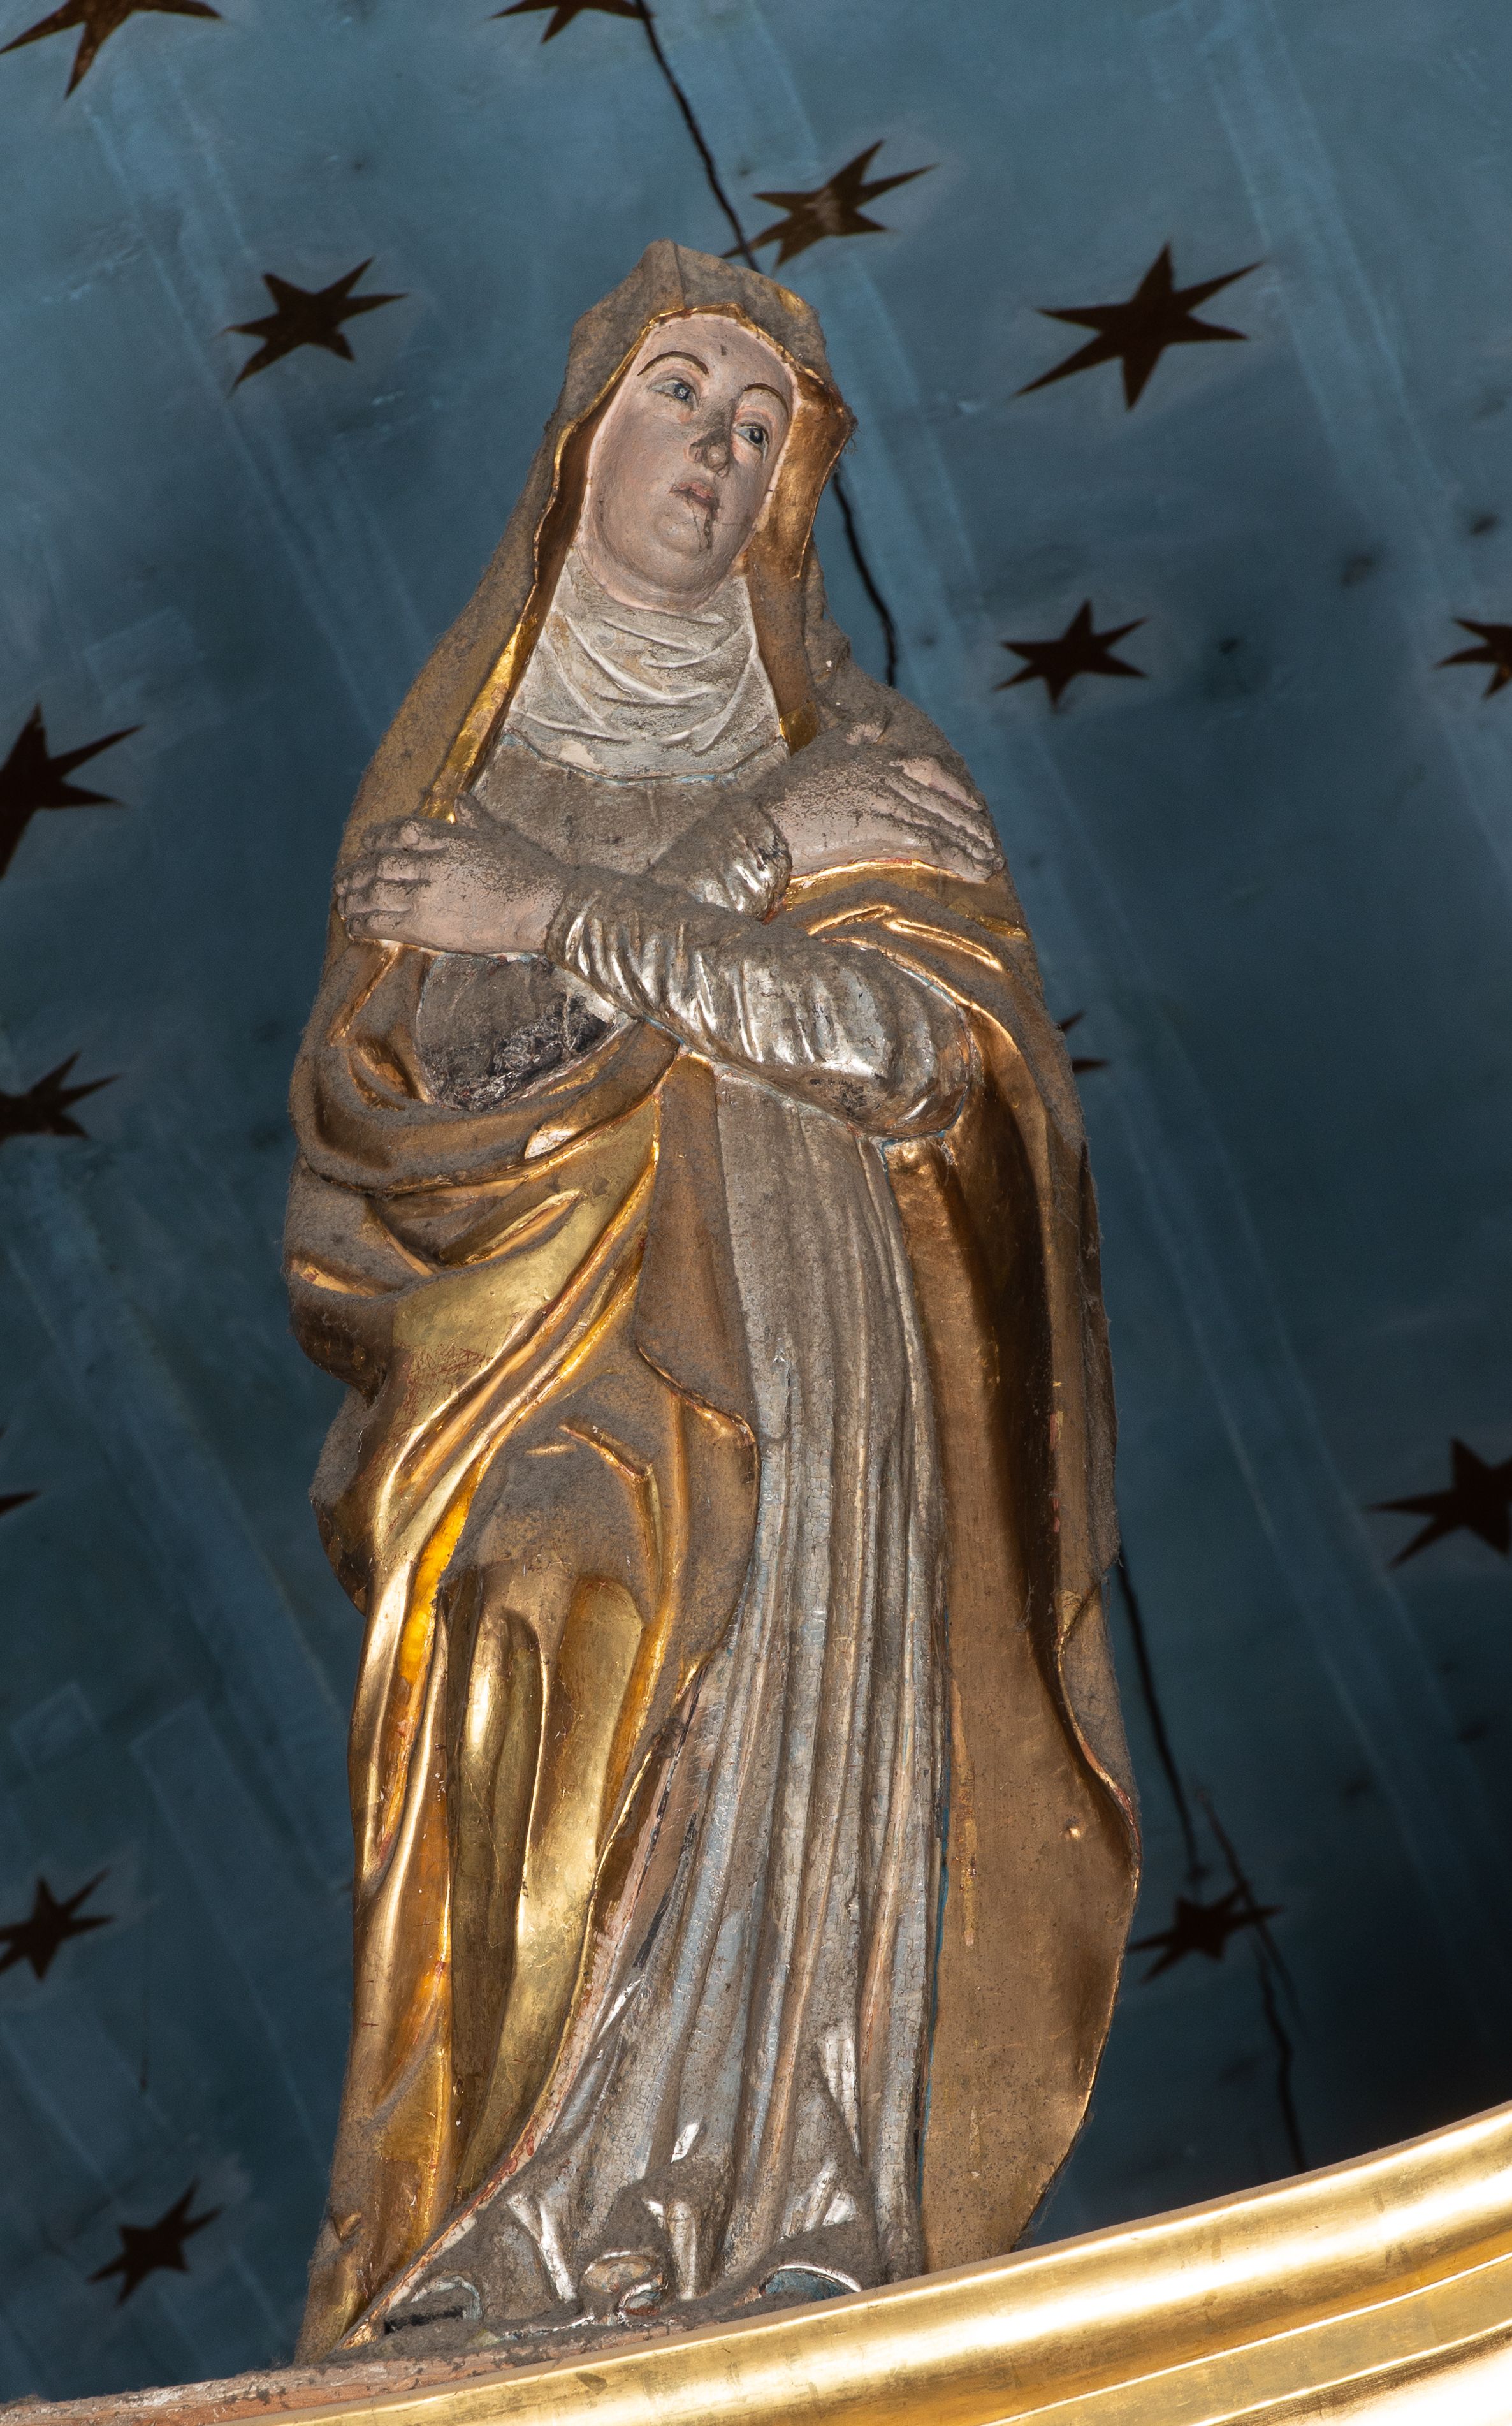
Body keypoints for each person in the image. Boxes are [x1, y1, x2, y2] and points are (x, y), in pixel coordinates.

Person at [286, 240, 1137, 2363]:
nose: (722, 446)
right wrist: (707, 873)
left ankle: (789, 2216)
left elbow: (908, 1055)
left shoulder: (860, 758)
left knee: (799, 1680)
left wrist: (599, 902)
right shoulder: (464, 783)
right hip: (532, 1347)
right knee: (524, 1603)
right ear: (584, 441)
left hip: (809, 1320)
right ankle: (488, 2239)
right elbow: (436, 1086)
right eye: (681, 392)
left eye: (763, 426)